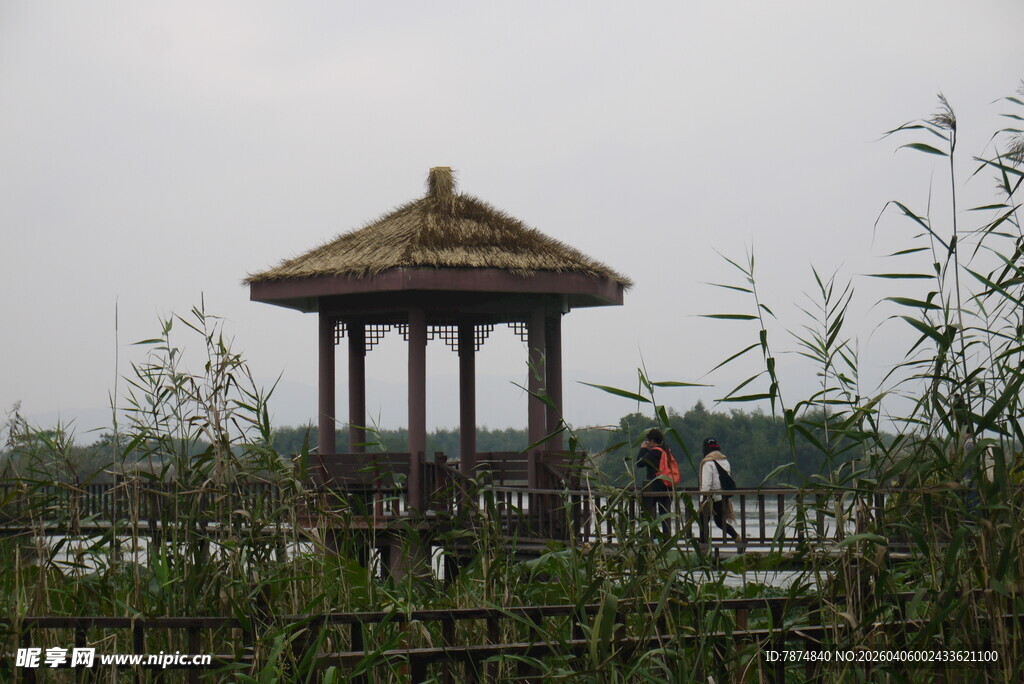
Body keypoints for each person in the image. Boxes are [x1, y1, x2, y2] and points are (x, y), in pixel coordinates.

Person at [698, 437, 743, 547]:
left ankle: (703, 545)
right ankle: (737, 537)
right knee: (720, 522)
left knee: (702, 520)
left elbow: (706, 484)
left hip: (710, 498)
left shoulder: (708, 463)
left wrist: (702, 499)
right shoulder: (725, 460)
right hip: (723, 497)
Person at [635, 428, 674, 535]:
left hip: (655, 487)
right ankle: (666, 539)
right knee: (665, 515)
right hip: (667, 486)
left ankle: (650, 537)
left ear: (652, 441)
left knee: (648, 514)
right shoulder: (666, 450)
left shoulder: (654, 452)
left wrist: (643, 449)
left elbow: (639, 463)